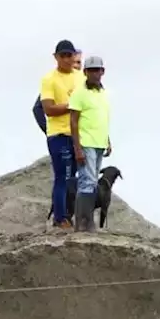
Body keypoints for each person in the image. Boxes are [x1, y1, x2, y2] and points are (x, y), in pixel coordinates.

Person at [40, 39, 83, 229]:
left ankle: (71, 215)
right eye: (62, 55)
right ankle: (60, 217)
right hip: (59, 134)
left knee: (74, 177)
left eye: (69, 55)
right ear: (56, 57)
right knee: (63, 176)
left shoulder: (81, 77)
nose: (66, 59)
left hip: (79, 134)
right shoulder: (49, 79)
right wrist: (71, 105)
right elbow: (48, 108)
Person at [68, 55, 112, 232]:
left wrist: (108, 140)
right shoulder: (79, 93)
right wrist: (77, 147)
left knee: (92, 183)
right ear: (85, 72)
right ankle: (84, 223)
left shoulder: (103, 93)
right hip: (86, 142)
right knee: (88, 181)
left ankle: (86, 221)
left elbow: (102, 118)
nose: (95, 74)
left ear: (103, 72)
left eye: (98, 70)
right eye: (91, 70)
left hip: (99, 142)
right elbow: (73, 121)